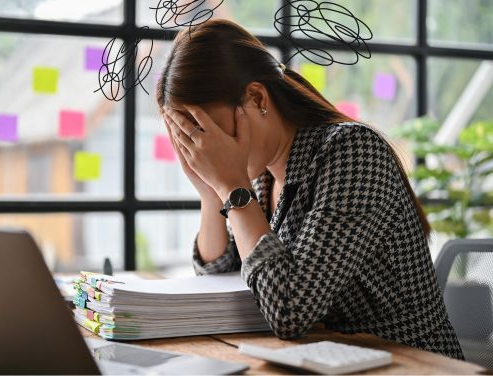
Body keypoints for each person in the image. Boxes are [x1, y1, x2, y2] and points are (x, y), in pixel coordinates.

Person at [156, 19, 464, 360]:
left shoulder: (352, 151)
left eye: (204, 129)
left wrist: (231, 187)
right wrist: (210, 191)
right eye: (189, 136)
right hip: (326, 361)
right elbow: (220, 275)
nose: (202, 147)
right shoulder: (263, 175)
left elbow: (289, 311)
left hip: (408, 363)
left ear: (257, 97)